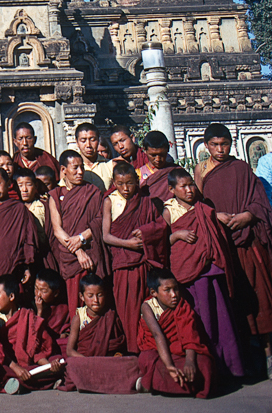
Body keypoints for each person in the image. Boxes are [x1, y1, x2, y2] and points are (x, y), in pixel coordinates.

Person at [195, 121, 272, 373]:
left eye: (224, 144)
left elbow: (259, 201)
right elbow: (198, 206)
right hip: (222, 245)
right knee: (233, 300)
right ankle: (243, 359)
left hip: (248, 244)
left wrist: (248, 216)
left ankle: (269, 353)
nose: (220, 149)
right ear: (206, 146)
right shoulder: (201, 171)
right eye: (215, 145)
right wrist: (215, 216)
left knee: (260, 296)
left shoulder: (241, 168)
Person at [163, 166, 244, 378]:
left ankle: (230, 368)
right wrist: (177, 234)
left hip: (211, 269)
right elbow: (162, 242)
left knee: (222, 317)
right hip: (188, 273)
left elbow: (216, 236)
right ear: (172, 189)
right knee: (200, 319)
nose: (189, 190)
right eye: (184, 186)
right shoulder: (169, 210)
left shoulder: (204, 208)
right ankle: (208, 369)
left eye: (191, 185)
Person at [102, 160, 167, 353]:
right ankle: (133, 350)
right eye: (120, 184)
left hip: (144, 263)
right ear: (114, 182)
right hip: (123, 263)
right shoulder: (110, 200)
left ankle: (150, 349)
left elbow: (161, 226)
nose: (125, 188)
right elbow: (106, 236)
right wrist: (128, 244)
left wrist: (146, 231)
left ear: (137, 180)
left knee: (147, 306)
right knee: (127, 309)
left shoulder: (145, 201)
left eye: (130, 183)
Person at [137, 268, 213, 397]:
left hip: (180, 350)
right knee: (151, 361)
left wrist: (190, 361)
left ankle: (163, 385)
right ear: (154, 292)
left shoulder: (182, 306)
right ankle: (154, 382)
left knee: (204, 364)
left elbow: (190, 335)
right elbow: (157, 335)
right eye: (167, 290)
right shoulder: (147, 306)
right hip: (159, 351)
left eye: (176, 289)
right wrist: (169, 366)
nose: (174, 295)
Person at [49, 150, 108, 315]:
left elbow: (99, 221)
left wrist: (82, 238)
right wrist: (79, 251)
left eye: (82, 167)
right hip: (72, 256)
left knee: (97, 301)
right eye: (75, 168)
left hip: (92, 252)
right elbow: (57, 230)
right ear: (63, 170)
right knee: (76, 303)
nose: (80, 172)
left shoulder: (93, 192)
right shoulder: (55, 195)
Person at [64, 272, 140, 394]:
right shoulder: (79, 317)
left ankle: (87, 383)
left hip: (105, 361)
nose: (96, 300)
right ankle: (119, 382)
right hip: (86, 361)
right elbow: (70, 351)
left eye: (99, 295)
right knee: (72, 363)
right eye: (90, 295)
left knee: (133, 362)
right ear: (81, 297)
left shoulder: (110, 315)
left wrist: (117, 355)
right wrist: (88, 362)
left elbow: (118, 343)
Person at [0, 274, 62, 390]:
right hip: (8, 363)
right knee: (0, 371)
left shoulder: (26, 315)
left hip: (28, 362)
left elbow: (36, 346)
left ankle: (20, 383)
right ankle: (46, 380)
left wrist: (48, 365)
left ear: (11, 296)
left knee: (57, 363)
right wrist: (16, 368)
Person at [0, 168, 39, 284]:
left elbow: (28, 238)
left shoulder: (19, 209)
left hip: (14, 264)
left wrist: (27, 266)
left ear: (8, 184)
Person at [13, 167, 56, 265]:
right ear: (16, 188)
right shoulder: (13, 208)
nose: (24, 189)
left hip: (42, 256)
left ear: (36, 186)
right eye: (20, 185)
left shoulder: (44, 206)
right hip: (20, 258)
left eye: (29, 184)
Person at [74, 122, 116, 191]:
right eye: (83, 141)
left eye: (92, 140)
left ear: (98, 140)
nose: (88, 145)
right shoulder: (71, 167)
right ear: (77, 142)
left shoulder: (110, 165)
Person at [33, 268, 70, 339]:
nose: (38, 294)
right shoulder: (31, 306)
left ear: (55, 293)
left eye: (43, 291)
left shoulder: (63, 309)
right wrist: (40, 311)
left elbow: (67, 330)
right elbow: (34, 333)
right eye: (36, 288)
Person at [137, 130, 173, 201]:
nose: (158, 159)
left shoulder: (176, 171)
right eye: (153, 155)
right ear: (145, 150)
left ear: (168, 149)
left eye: (162, 155)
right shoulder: (138, 174)